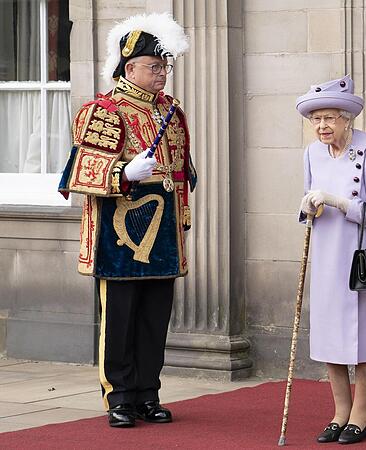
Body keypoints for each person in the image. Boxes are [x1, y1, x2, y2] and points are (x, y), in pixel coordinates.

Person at [58, 13, 195, 428]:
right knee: (119, 322)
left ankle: (147, 394)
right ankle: (118, 396)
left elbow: (181, 173)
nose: (162, 74)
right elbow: (80, 172)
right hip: (117, 236)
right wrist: (123, 173)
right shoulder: (104, 110)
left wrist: (182, 216)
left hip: (162, 234)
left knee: (154, 320)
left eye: (165, 66)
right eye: (154, 66)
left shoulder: (170, 111)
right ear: (129, 67)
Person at [295, 75, 366, 445]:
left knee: (364, 338)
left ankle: (361, 414)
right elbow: (309, 201)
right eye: (316, 119)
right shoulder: (312, 153)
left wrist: (341, 202)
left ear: (347, 119)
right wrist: (307, 207)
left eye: (329, 118)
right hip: (328, 255)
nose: (322, 126)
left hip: (362, 256)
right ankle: (339, 412)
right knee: (330, 335)